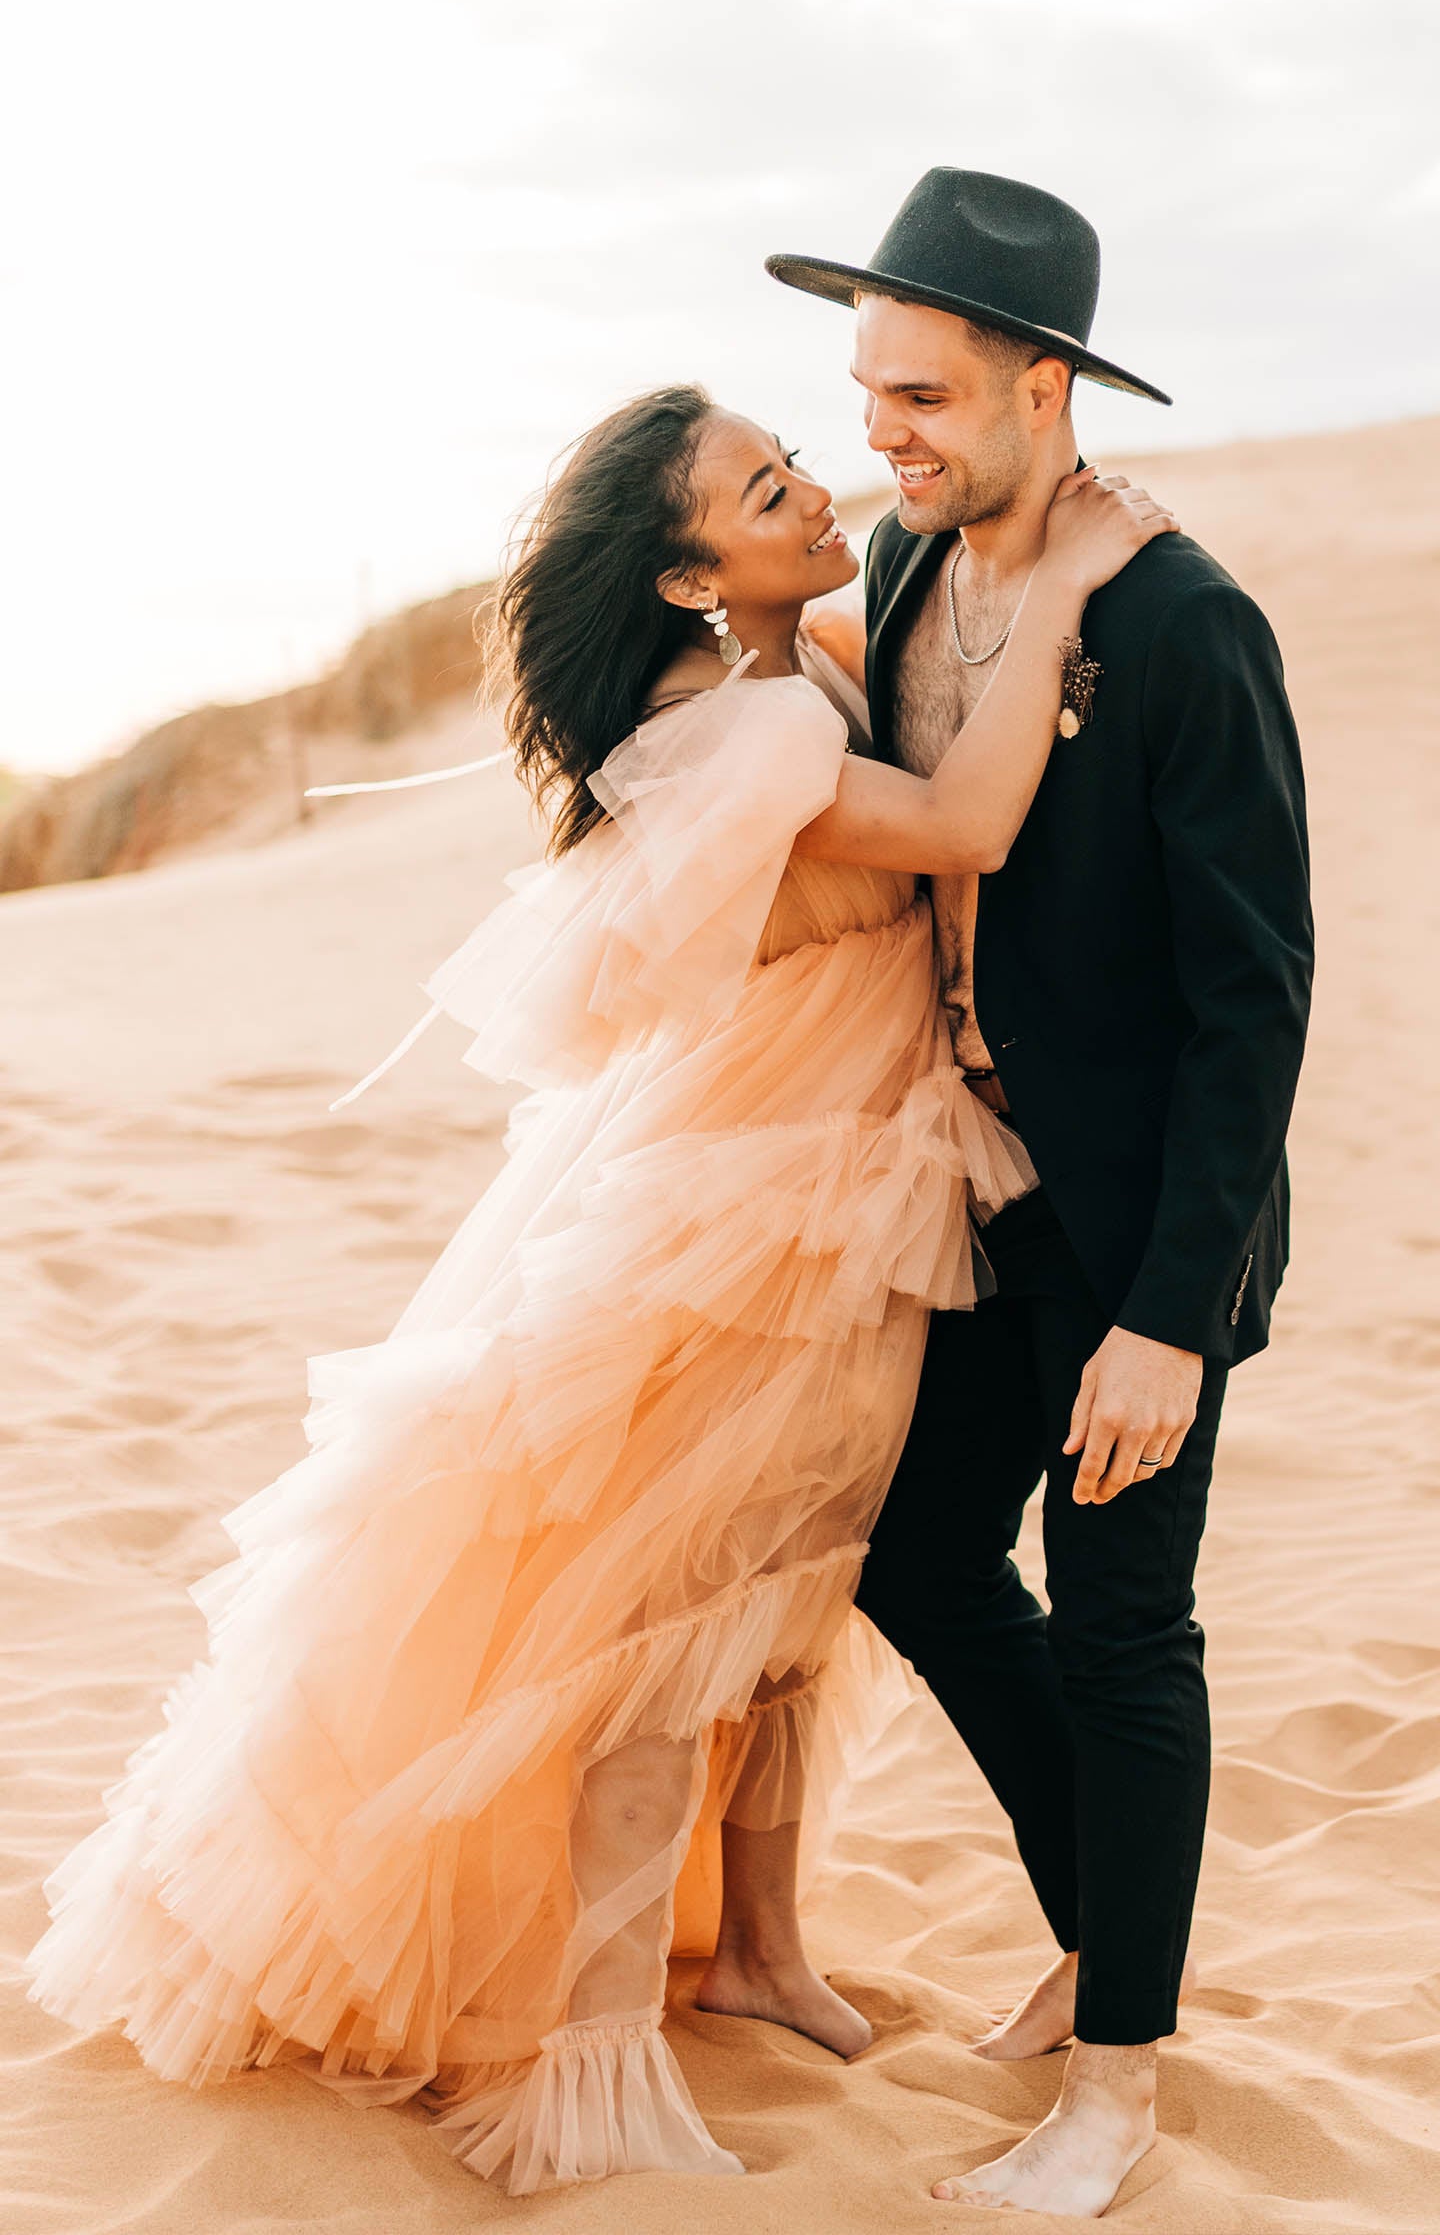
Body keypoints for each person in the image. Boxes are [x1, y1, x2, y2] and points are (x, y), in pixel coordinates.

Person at [26, 381, 1173, 2194]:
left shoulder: (800, 671)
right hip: (761, 1219)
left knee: (790, 1596)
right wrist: (1080, 570)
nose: (805, 489)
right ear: (683, 572)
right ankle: (596, 2059)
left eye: (791, 458)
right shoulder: (753, 728)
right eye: (757, 488)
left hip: (856, 1197)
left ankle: (763, 1951)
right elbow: (964, 827)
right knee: (659, 1631)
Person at [767, 166, 1314, 2216]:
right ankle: (1108, 1928)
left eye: (916, 390)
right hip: (983, 1191)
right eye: (864, 387)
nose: (881, 429)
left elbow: (1254, 996)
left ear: (1044, 378)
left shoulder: (1188, 621)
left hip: (1147, 1219)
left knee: (1120, 1625)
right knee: (915, 1549)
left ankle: (1119, 2089)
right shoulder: (912, 577)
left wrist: (1174, 1314)